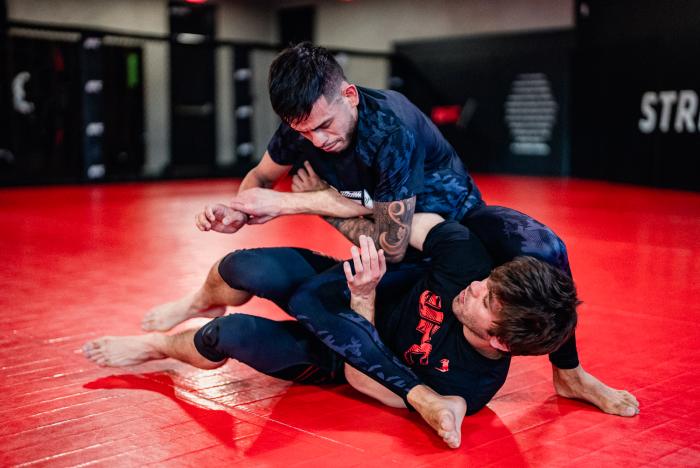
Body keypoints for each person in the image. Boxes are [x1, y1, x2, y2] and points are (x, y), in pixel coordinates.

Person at [142, 42, 637, 419]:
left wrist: (299, 203)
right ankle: (201, 307)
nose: (319, 140)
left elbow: (393, 244)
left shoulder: (390, 130)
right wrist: (240, 208)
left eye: (325, 125)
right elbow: (261, 179)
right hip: (394, 242)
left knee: (546, 248)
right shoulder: (303, 123)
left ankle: (568, 372)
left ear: (349, 96)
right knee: (282, 281)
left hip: (452, 226)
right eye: (304, 131)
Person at [84, 213, 593, 448]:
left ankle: (157, 346)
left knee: (228, 335)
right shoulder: (469, 264)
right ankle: (197, 300)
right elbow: (407, 222)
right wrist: (326, 208)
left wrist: (365, 301)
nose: (474, 287)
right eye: (487, 282)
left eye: (486, 298)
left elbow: (365, 380)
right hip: (344, 281)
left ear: (500, 341)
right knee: (242, 267)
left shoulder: (469, 383)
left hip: (337, 353)